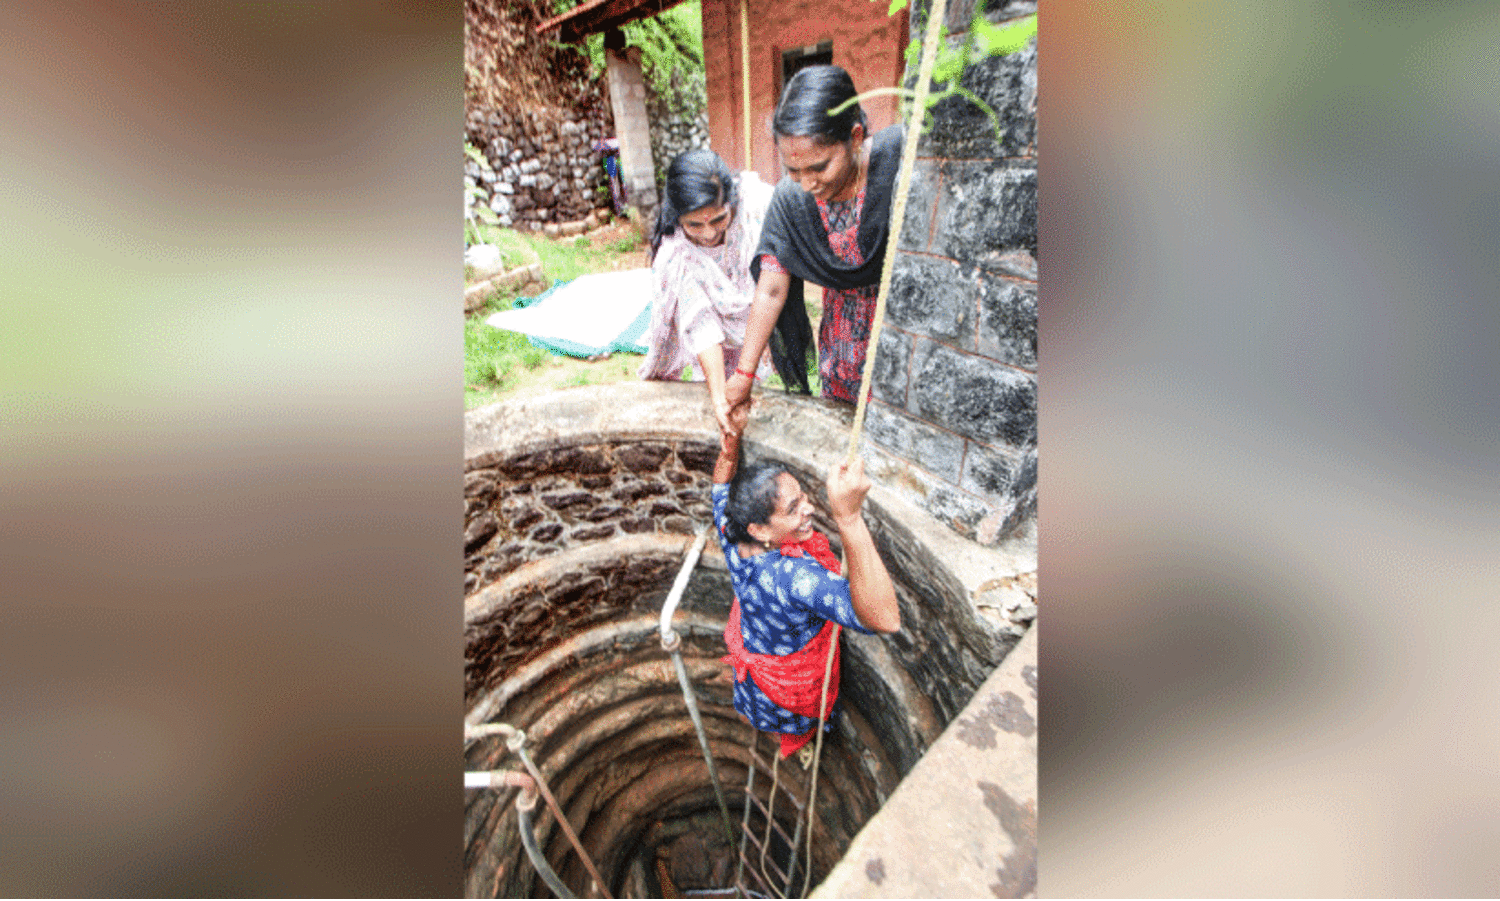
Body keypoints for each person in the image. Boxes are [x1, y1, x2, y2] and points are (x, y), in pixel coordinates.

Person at [712, 401, 900, 758]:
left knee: (762, 714)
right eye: (792, 509)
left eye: (803, 498)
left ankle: (772, 734)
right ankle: (799, 744)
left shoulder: (732, 533)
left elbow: (721, 483)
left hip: (757, 668)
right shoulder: (794, 578)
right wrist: (849, 519)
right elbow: (885, 619)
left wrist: (731, 440)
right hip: (789, 683)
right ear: (760, 528)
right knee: (795, 720)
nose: (809, 508)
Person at [723, 64, 904, 417]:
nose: (807, 184)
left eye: (819, 167)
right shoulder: (791, 199)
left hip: (901, 340)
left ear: (854, 137)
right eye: (793, 171)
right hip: (841, 350)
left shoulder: (902, 163)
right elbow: (771, 289)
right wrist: (744, 375)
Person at [639, 149, 775, 436]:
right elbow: (700, 323)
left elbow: (773, 283)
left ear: (731, 202)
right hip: (711, 349)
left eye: (717, 220)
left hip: (757, 324)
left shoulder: (756, 209)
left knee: (756, 410)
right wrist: (718, 396)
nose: (709, 233)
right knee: (720, 411)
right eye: (694, 225)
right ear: (678, 217)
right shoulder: (676, 254)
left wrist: (749, 365)